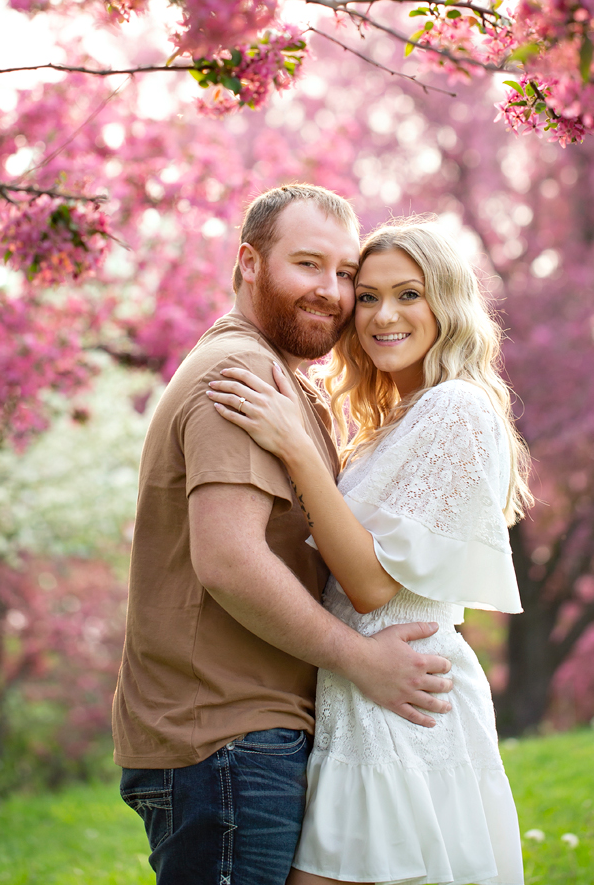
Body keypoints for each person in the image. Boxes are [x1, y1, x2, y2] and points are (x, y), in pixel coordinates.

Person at [113, 186, 454, 885]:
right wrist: (362, 660)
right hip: (228, 739)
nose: (331, 290)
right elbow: (230, 560)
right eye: (307, 264)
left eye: (344, 272)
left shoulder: (283, 382)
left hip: (243, 737)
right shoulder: (242, 372)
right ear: (249, 263)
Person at [208, 218, 530, 885]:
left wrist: (296, 448)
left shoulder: (455, 408)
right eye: (369, 297)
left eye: (409, 294)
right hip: (364, 697)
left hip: (405, 703)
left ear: (447, 303)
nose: (384, 316)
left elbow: (371, 585)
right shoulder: (396, 421)